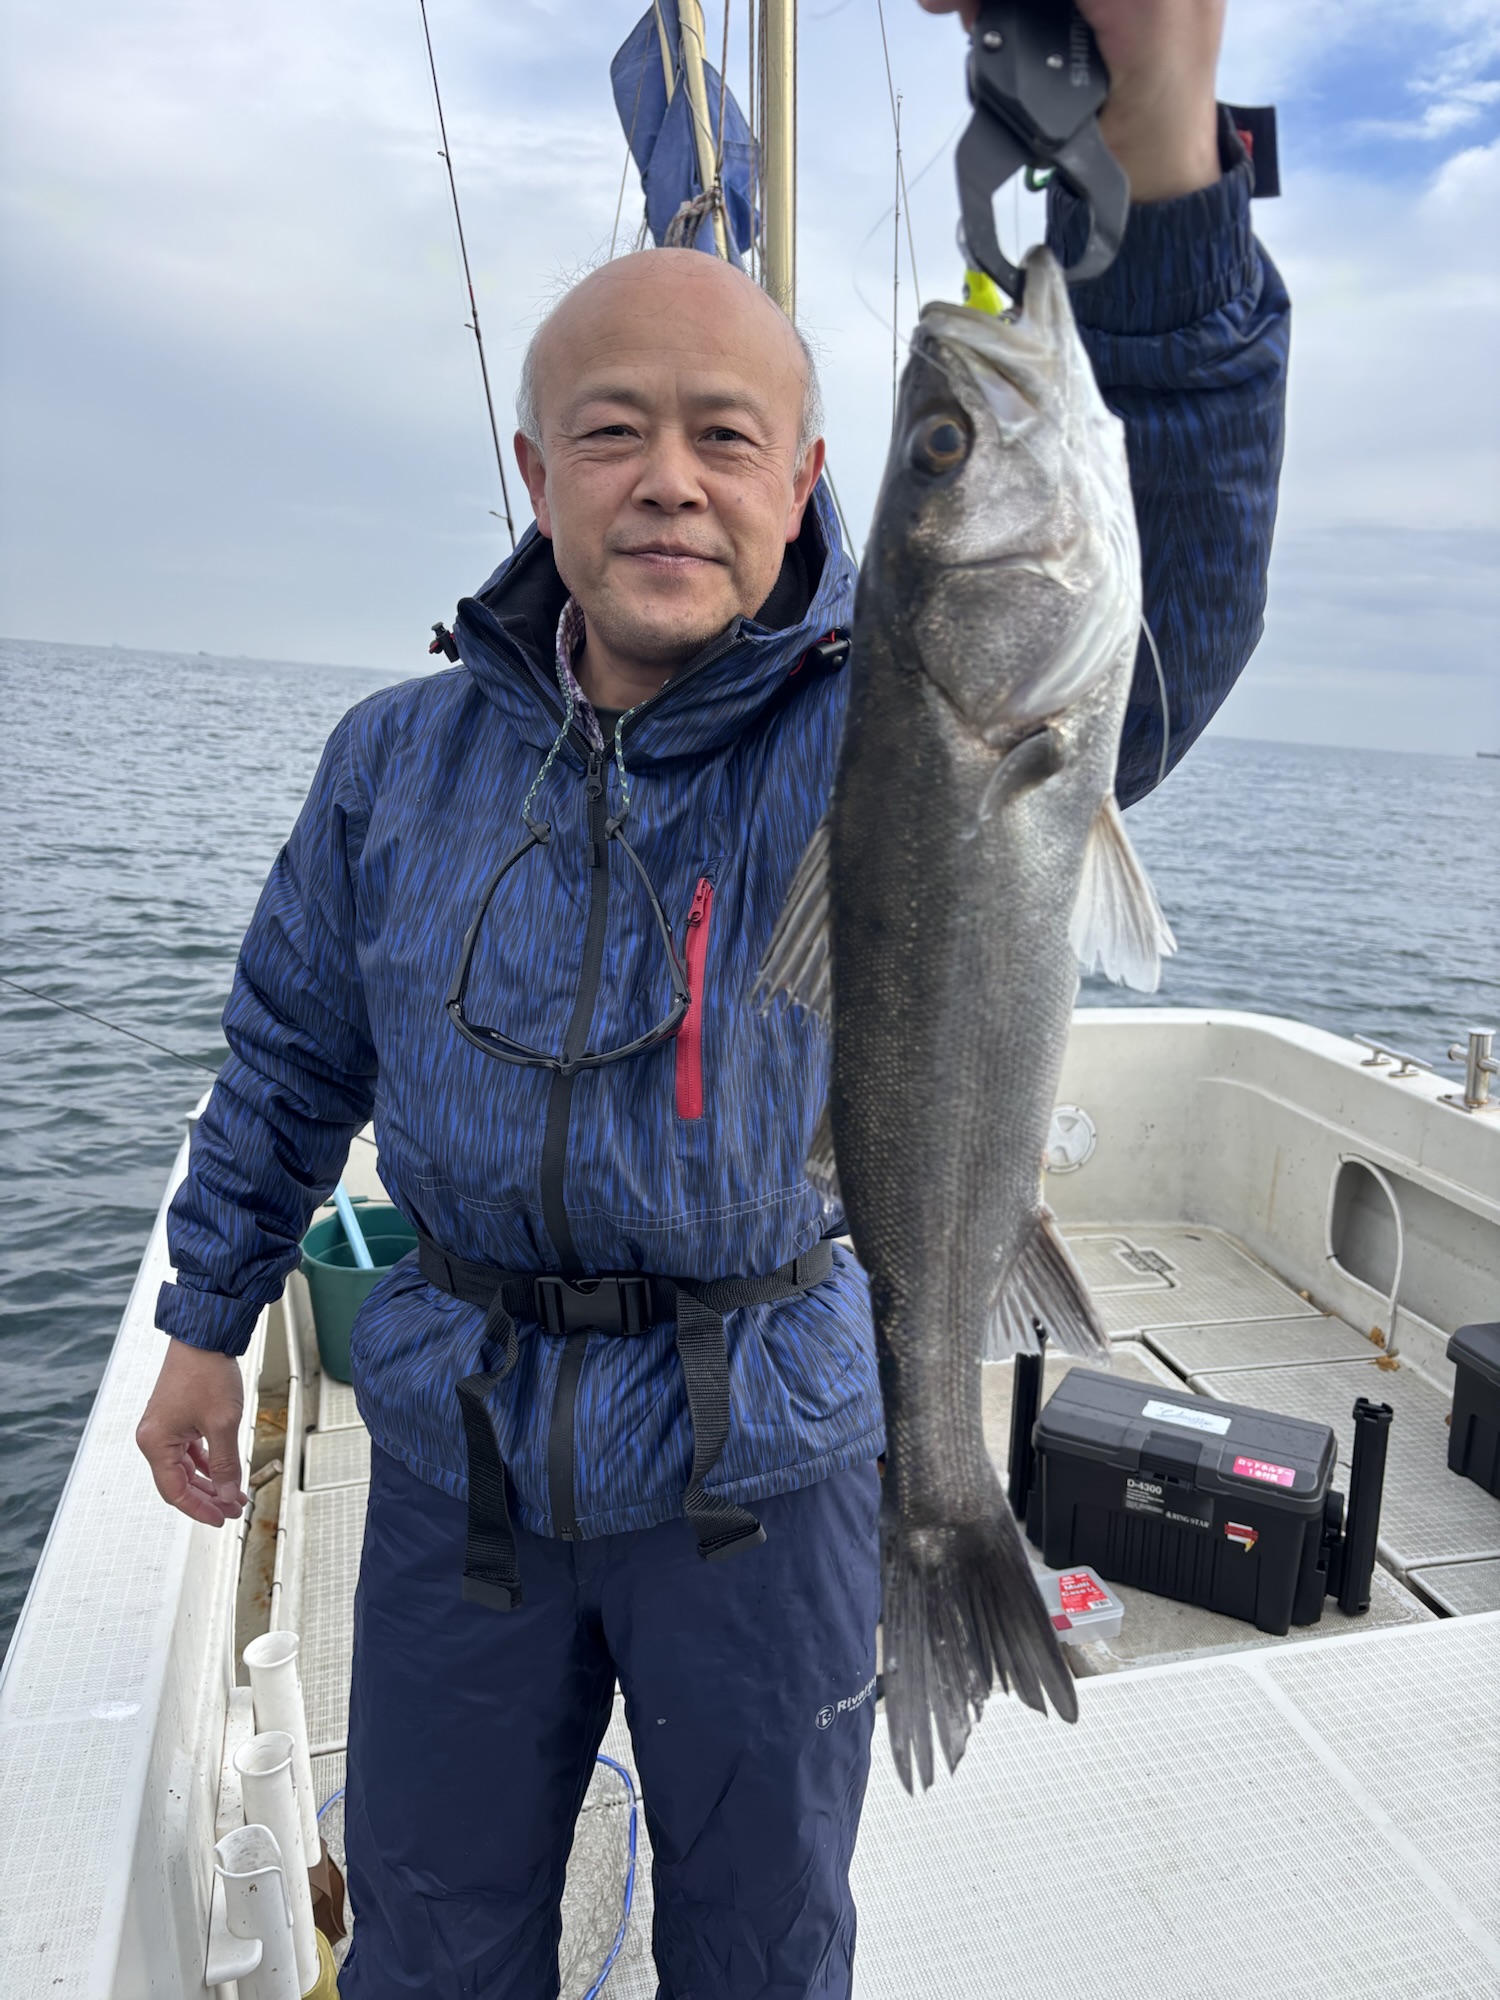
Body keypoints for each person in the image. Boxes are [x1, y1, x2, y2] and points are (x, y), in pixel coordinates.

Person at [135, 2, 1288, 1992]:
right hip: (464, 1463)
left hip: (772, 1462)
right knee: (430, 1934)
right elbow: (290, 1057)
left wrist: (1168, 148)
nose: (667, 480)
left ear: (810, 480)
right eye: (613, 432)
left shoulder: (896, 729)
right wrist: (205, 1322)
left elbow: (1165, 596)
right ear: (536, 471)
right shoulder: (392, 760)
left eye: (726, 437)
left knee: (763, 1947)